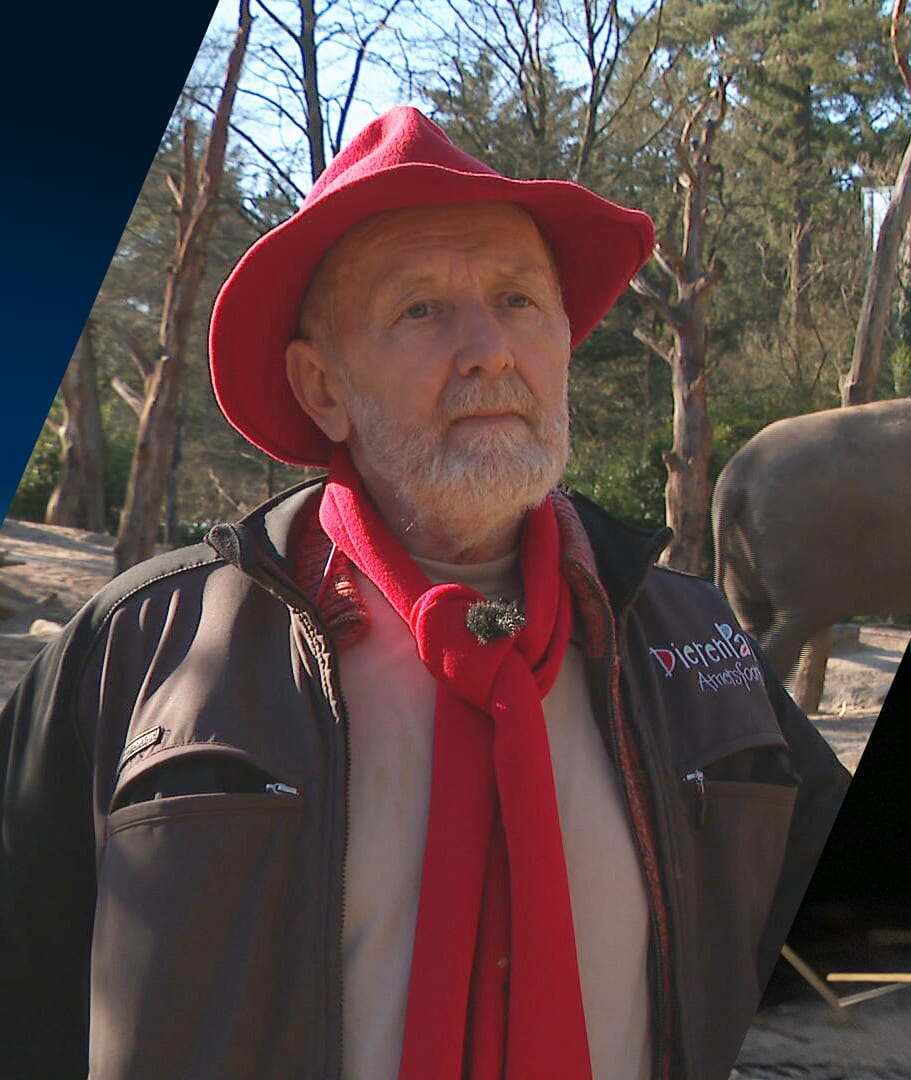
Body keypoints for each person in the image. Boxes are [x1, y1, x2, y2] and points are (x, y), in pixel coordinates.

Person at [0, 106, 849, 1080]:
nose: (491, 347)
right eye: (421, 310)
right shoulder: (141, 650)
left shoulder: (700, 650)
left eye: (520, 299)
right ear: (323, 388)